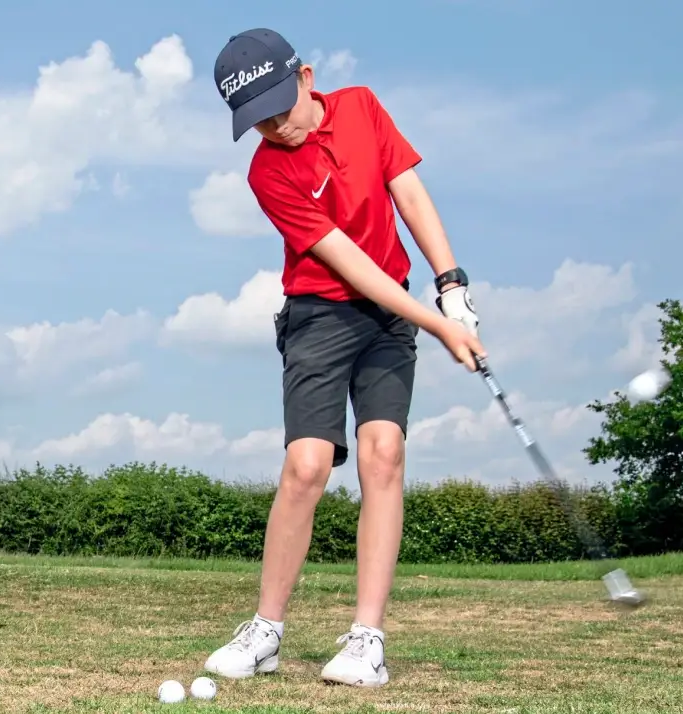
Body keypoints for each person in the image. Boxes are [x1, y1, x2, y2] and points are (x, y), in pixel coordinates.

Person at [203, 27, 486, 688]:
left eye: (281, 108)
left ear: (306, 78)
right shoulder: (267, 172)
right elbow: (352, 267)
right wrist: (439, 327)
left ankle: (366, 641)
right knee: (306, 467)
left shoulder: (361, 106)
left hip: (390, 320)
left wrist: (452, 286)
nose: (276, 127)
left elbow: (409, 195)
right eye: (259, 121)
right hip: (320, 316)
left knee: (383, 453)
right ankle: (266, 630)